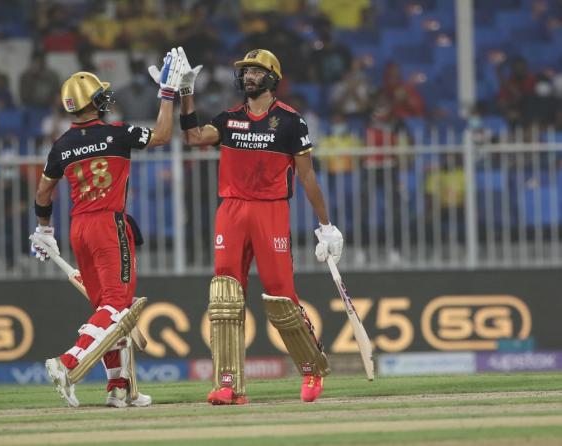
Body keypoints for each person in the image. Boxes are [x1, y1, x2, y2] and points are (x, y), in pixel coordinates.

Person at [165, 47, 343, 404]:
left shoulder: (292, 122)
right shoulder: (229, 118)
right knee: (226, 297)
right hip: (230, 211)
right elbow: (193, 137)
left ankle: (311, 370)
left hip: (270, 212)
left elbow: (307, 178)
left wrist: (326, 226)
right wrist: (185, 94)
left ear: (272, 78)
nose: (248, 76)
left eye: (256, 72)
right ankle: (228, 384)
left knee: (281, 297)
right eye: (246, 71)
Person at [30, 49, 183, 408]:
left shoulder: (62, 145)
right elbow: (162, 135)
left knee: (109, 311)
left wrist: (43, 231)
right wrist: (166, 95)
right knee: (117, 308)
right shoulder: (116, 133)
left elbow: (43, 191)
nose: (105, 98)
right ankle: (67, 363)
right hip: (108, 225)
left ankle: (118, 387)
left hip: (78, 228)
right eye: (100, 94)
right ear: (94, 101)